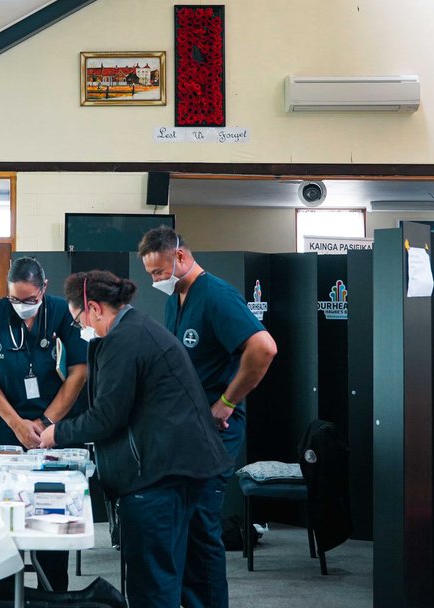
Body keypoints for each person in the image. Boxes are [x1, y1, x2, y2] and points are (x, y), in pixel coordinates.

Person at [38, 270, 231, 608]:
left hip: (159, 478)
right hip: (186, 468)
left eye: (78, 320)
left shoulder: (123, 340)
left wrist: (58, 432)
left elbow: (106, 416)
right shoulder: (139, 328)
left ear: (94, 308)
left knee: (154, 583)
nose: (81, 327)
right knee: (196, 578)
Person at [138, 226, 278, 608]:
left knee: (201, 529)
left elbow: (264, 348)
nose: (155, 280)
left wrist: (228, 401)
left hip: (216, 430)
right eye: (151, 273)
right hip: (188, 431)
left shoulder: (216, 295)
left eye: (158, 272)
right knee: (186, 526)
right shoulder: (177, 299)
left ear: (180, 257)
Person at [0, 256, 87, 591]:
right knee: (1, 517)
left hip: (54, 428)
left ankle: (52, 591)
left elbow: (79, 372)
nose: (22, 306)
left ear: (44, 288)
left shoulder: (63, 313)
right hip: (5, 427)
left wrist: (46, 421)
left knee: (51, 513)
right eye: (15, 298)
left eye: (30, 299)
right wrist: (16, 424)